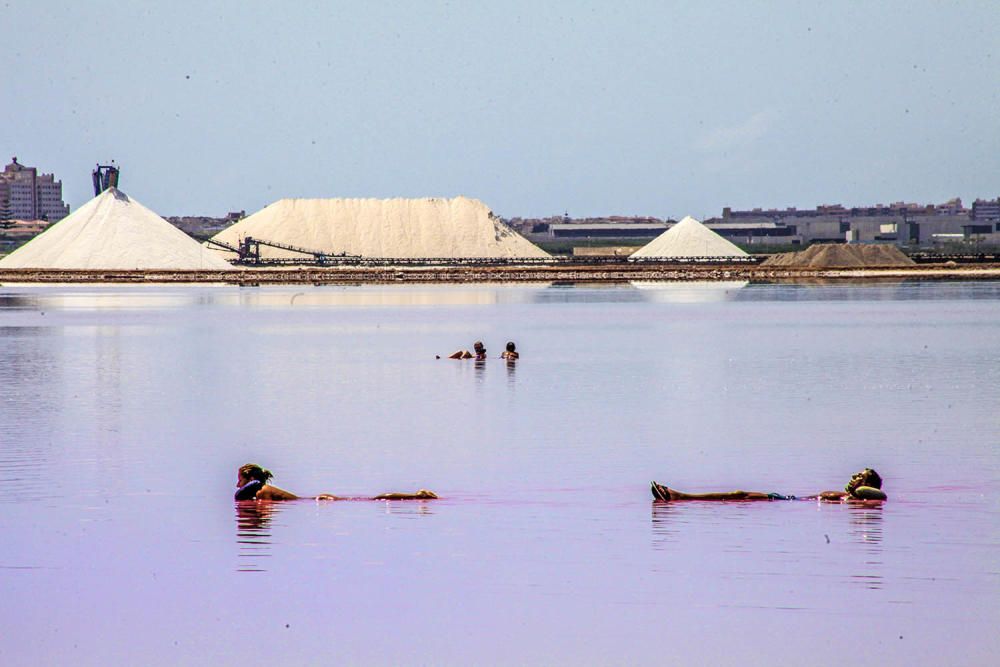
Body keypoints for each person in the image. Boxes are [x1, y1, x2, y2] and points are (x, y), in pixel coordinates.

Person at [650, 468, 887, 502]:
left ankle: (680, 496)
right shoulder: (853, 500)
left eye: (860, 476)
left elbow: (876, 497)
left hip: (787, 503)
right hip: (789, 500)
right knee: (738, 494)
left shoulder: (857, 501)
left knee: (738, 495)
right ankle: (679, 496)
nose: (853, 476)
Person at [235, 463, 438, 501]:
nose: (237, 485)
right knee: (374, 499)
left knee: (377, 500)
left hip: (319, 501)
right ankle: (416, 496)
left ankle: (417, 496)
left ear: (251, 479)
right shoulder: (263, 489)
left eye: (240, 480)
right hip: (320, 499)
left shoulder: (262, 492)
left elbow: (268, 509)